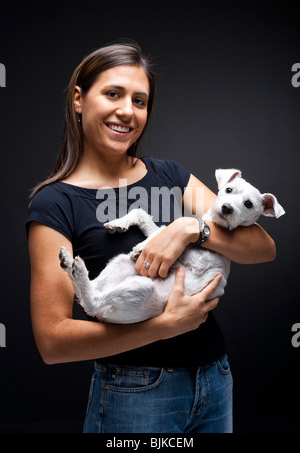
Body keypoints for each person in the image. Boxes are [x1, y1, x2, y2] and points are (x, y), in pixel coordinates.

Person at [26, 41, 276, 433]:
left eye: (139, 101)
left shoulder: (170, 177)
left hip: (215, 377)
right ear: (79, 99)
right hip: (135, 393)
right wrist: (165, 326)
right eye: (113, 94)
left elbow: (262, 248)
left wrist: (190, 227)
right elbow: (53, 341)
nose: (127, 111)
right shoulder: (55, 202)